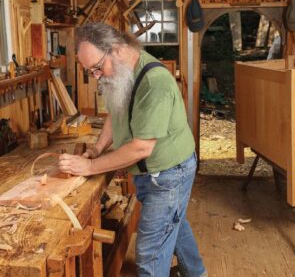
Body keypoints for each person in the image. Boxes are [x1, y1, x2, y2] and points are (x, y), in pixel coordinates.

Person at [58, 23, 207, 277]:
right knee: (175, 224)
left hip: (169, 173)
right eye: (89, 71)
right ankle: (197, 273)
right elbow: (115, 113)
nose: (96, 76)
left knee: (150, 256)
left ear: (116, 49)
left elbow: (141, 148)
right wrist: (96, 148)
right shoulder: (121, 72)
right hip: (154, 173)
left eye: (96, 68)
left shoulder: (154, 82)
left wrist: (91, 166)